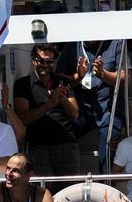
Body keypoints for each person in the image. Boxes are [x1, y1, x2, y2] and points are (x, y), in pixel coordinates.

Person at [13, 44, 81, 180]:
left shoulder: (62, 82)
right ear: (33, 60)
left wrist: (61, 98)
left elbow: (75, 115)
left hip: (66, 144)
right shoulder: (23, 84)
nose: (45, 65)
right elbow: (23, 119)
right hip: (38, 148)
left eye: (49, 62)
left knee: (69, 191)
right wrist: (50, 103)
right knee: (44, 193)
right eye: (40, 60)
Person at [74, 39, 129, 170]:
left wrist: (102, 74)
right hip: (83, 110)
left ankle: (106, 187)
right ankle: (65, 185)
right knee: (61, 130)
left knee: (108, 136)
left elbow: (124, 78)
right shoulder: (74, 43)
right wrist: (78, 76)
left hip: (109, 109)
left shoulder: (117, 42)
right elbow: (60, 77)